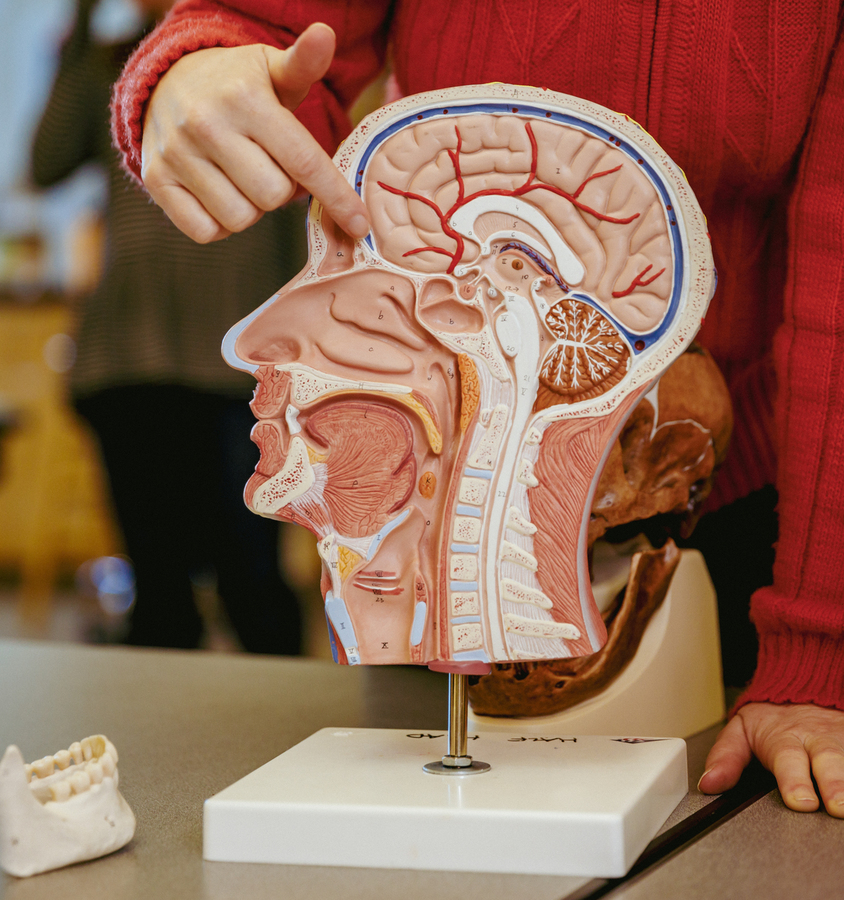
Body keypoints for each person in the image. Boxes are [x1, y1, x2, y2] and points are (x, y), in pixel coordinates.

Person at [108, 2, 844, 814]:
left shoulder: (634, 439)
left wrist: (822, 645)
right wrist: (201, 68)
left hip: (777, 501)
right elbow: (267, 32)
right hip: (416, 520)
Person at [29, 0, 306, 652]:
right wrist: (79, 26)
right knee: (159, 595)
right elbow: (45, 164)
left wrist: (301, 356)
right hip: (128, 357)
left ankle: (297, 746)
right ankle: (162, 752)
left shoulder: (270, 61)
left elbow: (300, 216)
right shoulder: (108, 64)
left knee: (253, 578)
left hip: (240, 362)